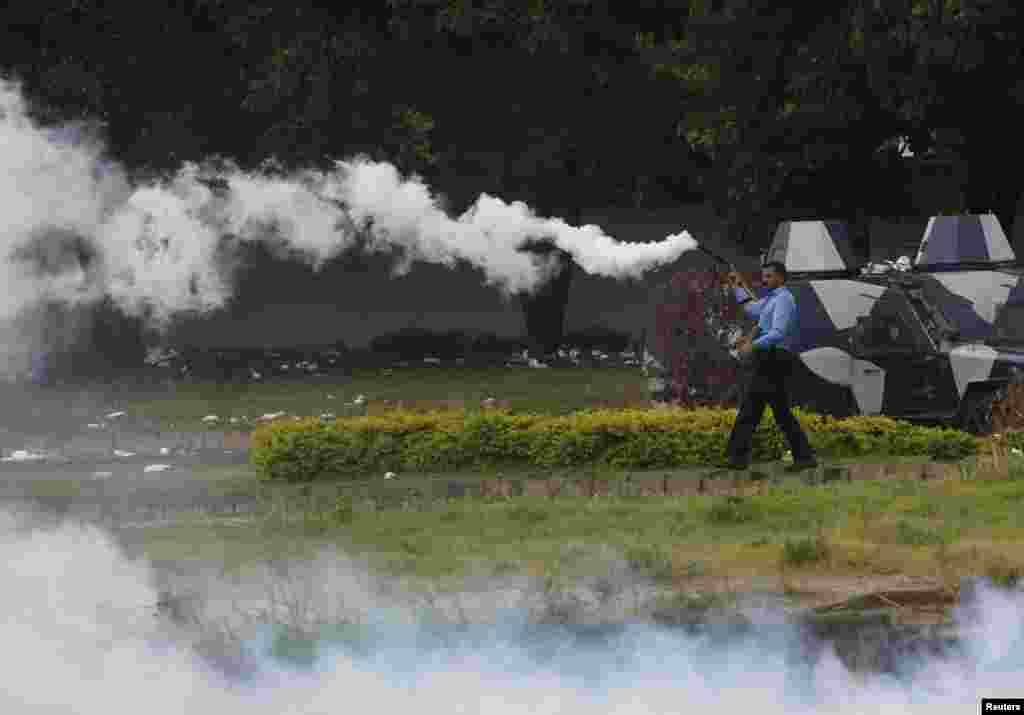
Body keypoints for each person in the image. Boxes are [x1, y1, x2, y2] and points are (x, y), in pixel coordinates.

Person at [720, 262, 818, 472]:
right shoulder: (772, 300)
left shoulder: (784, 300)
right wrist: (738, 286)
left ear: (781, 278)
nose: (764, 280)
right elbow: (752, 309)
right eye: (763, 276)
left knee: (753, 408)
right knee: (774, 411)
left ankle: (737, 457)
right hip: (769, 358)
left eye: (769, 276)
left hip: (774, 358)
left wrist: (751, 345)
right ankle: (804, 457)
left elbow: (777, 333)